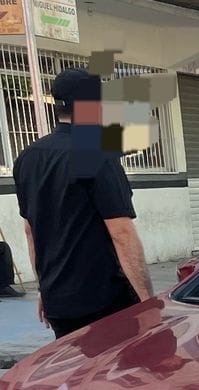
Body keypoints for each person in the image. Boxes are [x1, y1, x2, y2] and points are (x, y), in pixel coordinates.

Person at [13, 67, 152, 339]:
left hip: (59, 305)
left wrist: (44, 289)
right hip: (105, 303)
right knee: (118, 367)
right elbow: (121, 233)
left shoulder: (27, 158)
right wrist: (148, 302)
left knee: (74, 367)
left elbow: (31, 232)